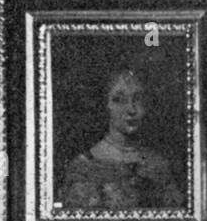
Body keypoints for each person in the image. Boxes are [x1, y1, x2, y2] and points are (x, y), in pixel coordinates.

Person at [58, 67, 184, 210]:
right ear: (105, 105)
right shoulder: (84, 167)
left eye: (137, 99)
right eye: (119, 100)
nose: (131, 110)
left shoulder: (157, 165)